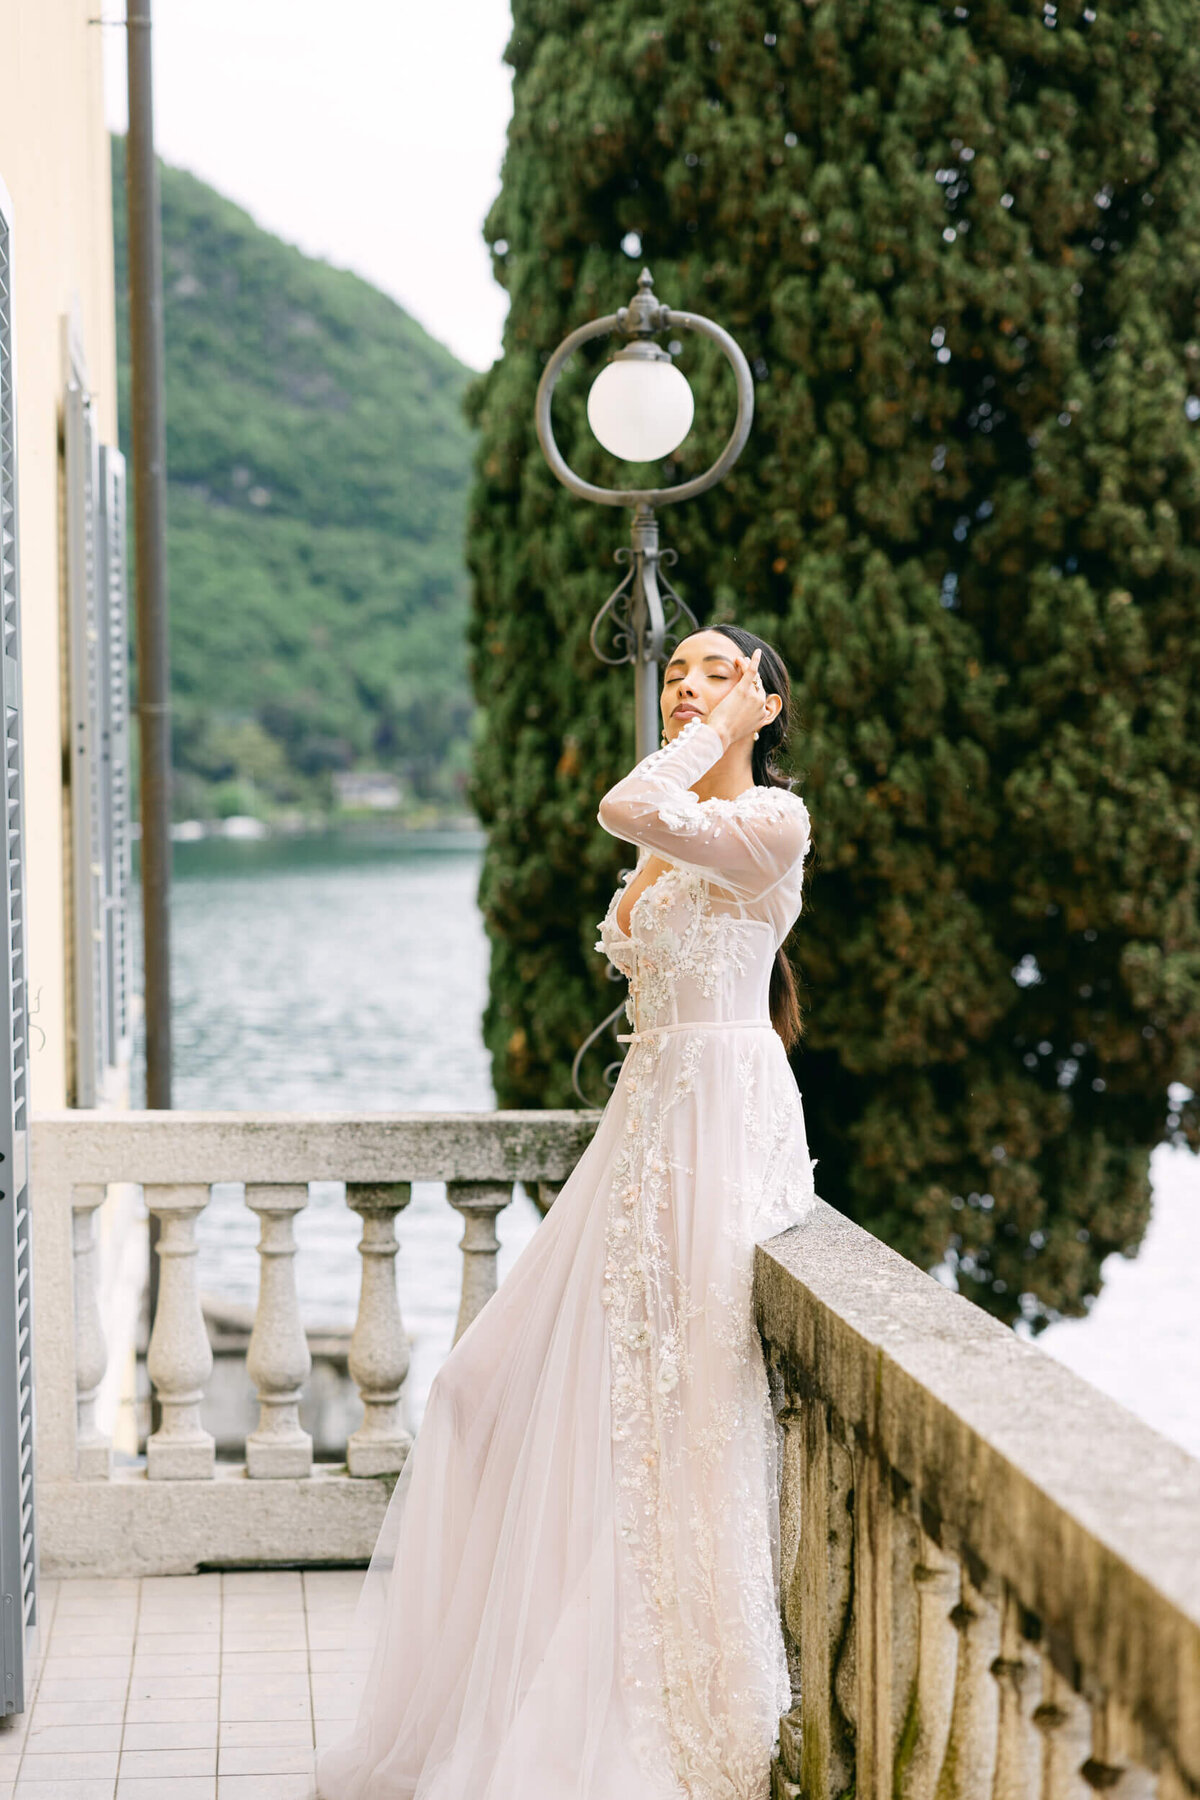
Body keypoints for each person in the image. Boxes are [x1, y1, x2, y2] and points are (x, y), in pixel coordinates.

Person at [315, 625, 816, 1800]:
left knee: (680, 1417)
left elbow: (621, 805)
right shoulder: (677, 824)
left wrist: (710, 741)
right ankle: (521, 1679)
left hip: (718, 1121)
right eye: (675, 674)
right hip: (639, 1139)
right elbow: (638, 835)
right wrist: (703, 737)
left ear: (766, 700)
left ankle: (670, 1714)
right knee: (483, 1388)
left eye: (713, 672)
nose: (683, 687)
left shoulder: (771, 827)